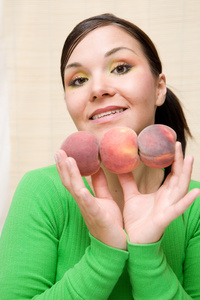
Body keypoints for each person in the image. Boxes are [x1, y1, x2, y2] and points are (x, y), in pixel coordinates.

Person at [0, 13, 200, 300]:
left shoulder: (193, 205)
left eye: (120, 68)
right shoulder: (40, 192)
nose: (97, 89)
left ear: (159, 88)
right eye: (78, 79)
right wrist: (103, 254)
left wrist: (147, 252)